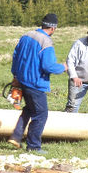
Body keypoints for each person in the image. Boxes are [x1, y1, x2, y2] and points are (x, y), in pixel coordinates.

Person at [7, 13, 67, 152]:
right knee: (41, 114)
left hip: (22, 80)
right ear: (53, 28)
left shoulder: (26, 35)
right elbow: (48, 66)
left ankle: (16, 136)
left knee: (29, 109)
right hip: (35, 83)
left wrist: (15, 75)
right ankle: (34, 146)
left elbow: (15, 56)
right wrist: (63, 67)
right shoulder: (46, 42)